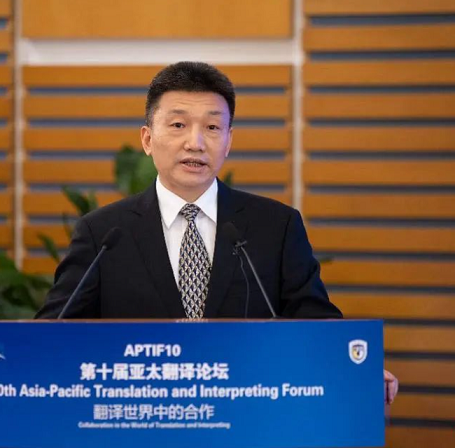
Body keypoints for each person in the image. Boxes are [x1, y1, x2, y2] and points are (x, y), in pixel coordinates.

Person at [35, 61, 398, 405]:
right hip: (142, 418)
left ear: (228, 141)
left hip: (247, 418)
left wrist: (354, 371)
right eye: (178, 125)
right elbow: (52, 333)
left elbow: (314, 320)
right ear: (147, 139)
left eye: (212, 127)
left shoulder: (276, 225)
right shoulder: (103, 233)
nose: (195, 142)